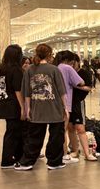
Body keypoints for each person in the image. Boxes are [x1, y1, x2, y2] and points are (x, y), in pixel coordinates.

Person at [16, 43, 67, 171]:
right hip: (55, 108)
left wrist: (27, 108)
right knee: (56, 137)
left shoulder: (29, 70)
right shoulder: (54, 69)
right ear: (49, 54)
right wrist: (65, 107)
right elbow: (61, 91)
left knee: (34, 137)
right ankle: (54, 162)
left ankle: (27, 162)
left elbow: (26, 92)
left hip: (37, 109)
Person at [0, 44, 26, 169]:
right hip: (13, 104)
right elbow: (18, 90)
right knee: (13, 132)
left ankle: (17, 156)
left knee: (13, 131)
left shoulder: (1, 68)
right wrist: (23, 108)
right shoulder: (16, 70)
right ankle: (7, 160)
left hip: (3, 103)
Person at [68, 53, 98, 162]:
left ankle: (87, 153)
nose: (71, 65)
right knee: (70, 127)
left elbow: (89, 88)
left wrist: (76, 86)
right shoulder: (67, 72)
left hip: (78, 103)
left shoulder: (84, 73)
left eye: (73, 63)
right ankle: (75, 150)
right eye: (69, 63)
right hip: (68, 103)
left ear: (77, 62)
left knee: (80, 128)